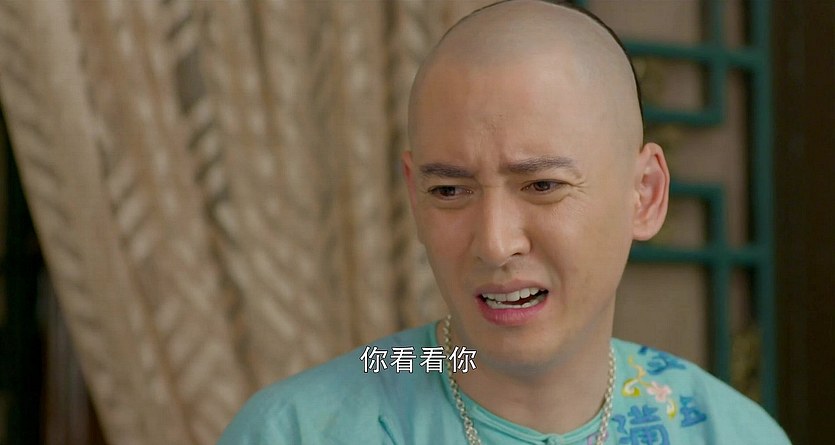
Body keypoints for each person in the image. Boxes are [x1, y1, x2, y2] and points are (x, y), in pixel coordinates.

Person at [218, 1, 791, 443]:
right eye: (449, 191)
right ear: (414, 196)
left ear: (645, 194)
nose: (495, 243)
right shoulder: (296, 431)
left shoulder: (730, 432)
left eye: (542, 186)